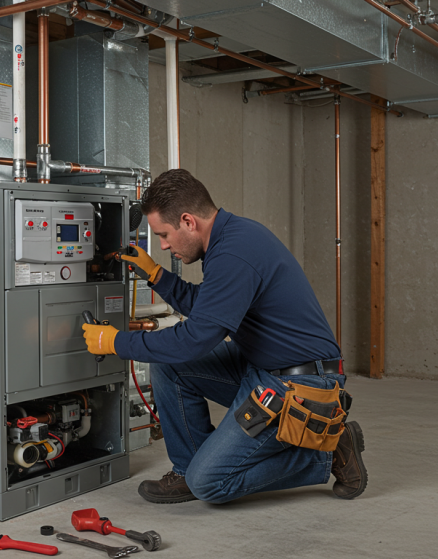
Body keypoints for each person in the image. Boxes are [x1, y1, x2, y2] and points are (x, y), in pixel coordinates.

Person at [81, 169, 367, 505]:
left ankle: (326, 452)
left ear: (188, 221)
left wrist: (115, 342)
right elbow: (212, 308)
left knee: (211, 484)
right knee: (169, 367)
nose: (162, 245)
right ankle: (187, 470)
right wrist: (158, 276)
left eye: (164, 234)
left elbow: (194, 339)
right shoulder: (230, 238)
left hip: (300, 385)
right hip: (263, 367)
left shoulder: (233, 253)